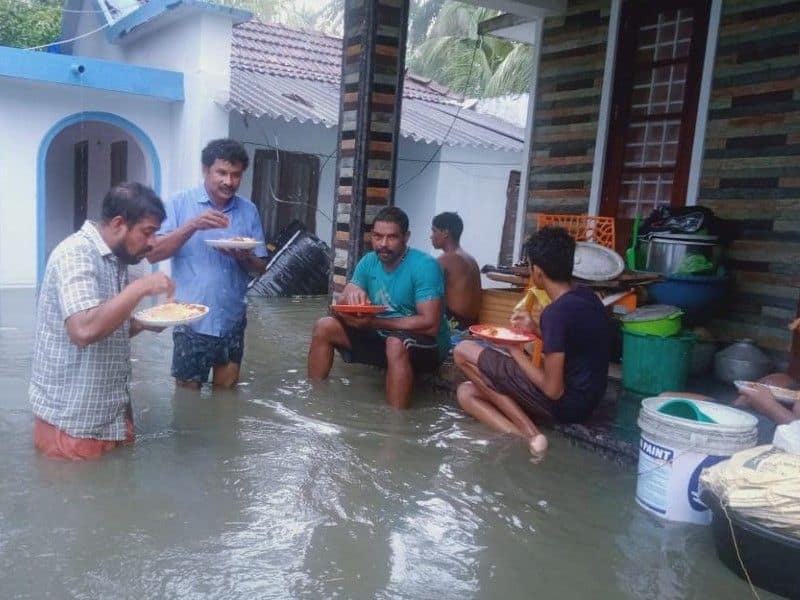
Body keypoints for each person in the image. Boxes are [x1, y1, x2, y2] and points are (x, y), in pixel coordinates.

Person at [29, 183, 175, 460]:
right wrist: (140, 287)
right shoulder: (76, 254)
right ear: (119, 224)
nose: (153, 242)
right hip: (73, 424)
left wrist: (143, 323)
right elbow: (83, 330)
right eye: (148, 232)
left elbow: (108, 327)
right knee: (79, 501)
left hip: (111, 417)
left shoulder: (116, 260)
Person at [453, 227, 610, 460]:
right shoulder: (588, 297)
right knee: (466, 392)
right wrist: (535, 330)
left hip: (565, 405)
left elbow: (553, 390)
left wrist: (513, 350)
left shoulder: (556, 313)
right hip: (587, 401)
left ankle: (531, 433)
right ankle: (527, 439)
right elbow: (574, 346)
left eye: (529, 267)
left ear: (537, 271)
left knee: (462, 350)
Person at [147, 138, 268, 389]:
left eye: (235, 175)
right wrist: (193, 225)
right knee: (187, 399)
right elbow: (154, 254)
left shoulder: (249, 210)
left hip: (232, 318)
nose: (228, 181)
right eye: (221, 173)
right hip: (191, 319)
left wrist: (246, 257)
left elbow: (261, 267)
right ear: (205, 170)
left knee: (225, 399)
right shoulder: (179, 203)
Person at [307, 206, 450, 409]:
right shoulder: (368, 262)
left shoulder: (425, 266)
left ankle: (394, 425)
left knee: (395, 343)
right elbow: (341, 304)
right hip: (381, 336)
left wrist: (374, 322)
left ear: (406, 237)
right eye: (377, 236)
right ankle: (314, 400)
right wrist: (349, 295)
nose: (383, 244)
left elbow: (430, 324)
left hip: (427, 346)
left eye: (391, 237)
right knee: (324, 326)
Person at [430, 212, 482, 330]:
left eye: (434, 231)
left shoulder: (446, 260)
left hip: (455, 325)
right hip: (473, 324)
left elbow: (427, 293)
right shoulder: (470, 258)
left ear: (445, 233)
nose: (431, 236)